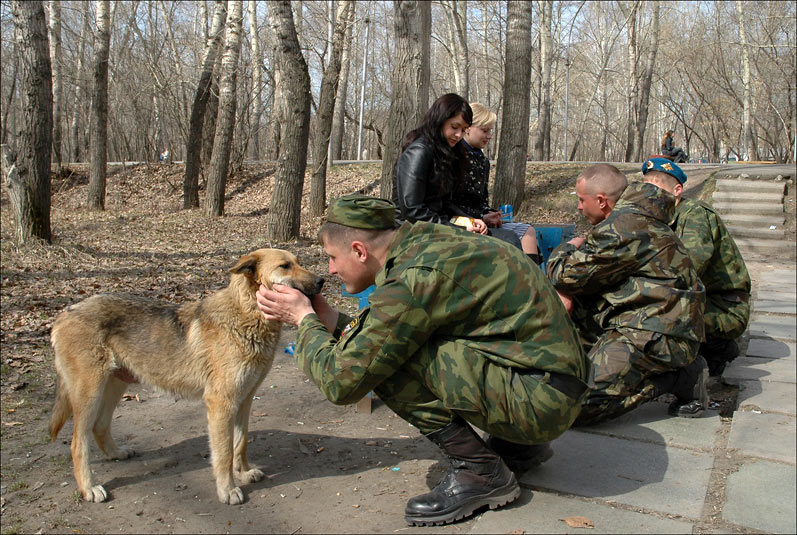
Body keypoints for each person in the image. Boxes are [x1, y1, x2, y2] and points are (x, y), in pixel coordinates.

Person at [256, 194, 589, 526]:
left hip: (541, 402)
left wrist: (304, 320)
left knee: (384, 362)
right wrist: (330, 318)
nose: (330, 269)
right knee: (390, 344)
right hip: (552, 384)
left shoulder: (412, 276)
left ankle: (481, 472)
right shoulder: (427, 242)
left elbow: (341, 381)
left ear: (359, 250)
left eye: (332, 257)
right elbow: (384, 328)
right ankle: (517, 445)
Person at [546, 164, 707, 425]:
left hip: (657, 333)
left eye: (580, 200)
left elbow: (565, 275)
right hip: (652, 320)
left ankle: (681, 377)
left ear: (600, 201)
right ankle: (593, 367)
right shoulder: (633, 219)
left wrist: (567, 247)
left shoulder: (623, 227)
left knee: (574, 407)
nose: (578, 207)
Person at [641, 157, 751, 376]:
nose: (649, 196)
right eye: (645, 189)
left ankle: (717, 350)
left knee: (655, 314)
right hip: (699, 299)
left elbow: (687, 271)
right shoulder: (659, 218)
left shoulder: (695, 215)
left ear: (677, 190)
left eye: (656, 189)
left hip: (724, 306)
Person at [392, 93, 522, 249]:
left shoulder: (444, 153)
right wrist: (459, 229)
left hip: (437, 228)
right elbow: (412, 211)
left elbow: (445, 203)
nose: (459, 135)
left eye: (464, 129)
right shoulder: (419, 152)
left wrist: (471, 220)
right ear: (439, 120)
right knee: (507, 242)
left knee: (509, 238)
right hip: (414, 233)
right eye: (454, 127)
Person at [454, 102, 543, 264]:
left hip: (480, 220)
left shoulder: (482, 161)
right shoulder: (455, 157)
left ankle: (534, 280)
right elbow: (452, 202)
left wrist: (490, 214)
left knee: (528, 231)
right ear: (468, 128)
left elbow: (481, 200)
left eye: (491, 131)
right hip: (462, 222)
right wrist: (480, 218)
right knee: (511, 238)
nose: (489, 136)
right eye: (484, 130)